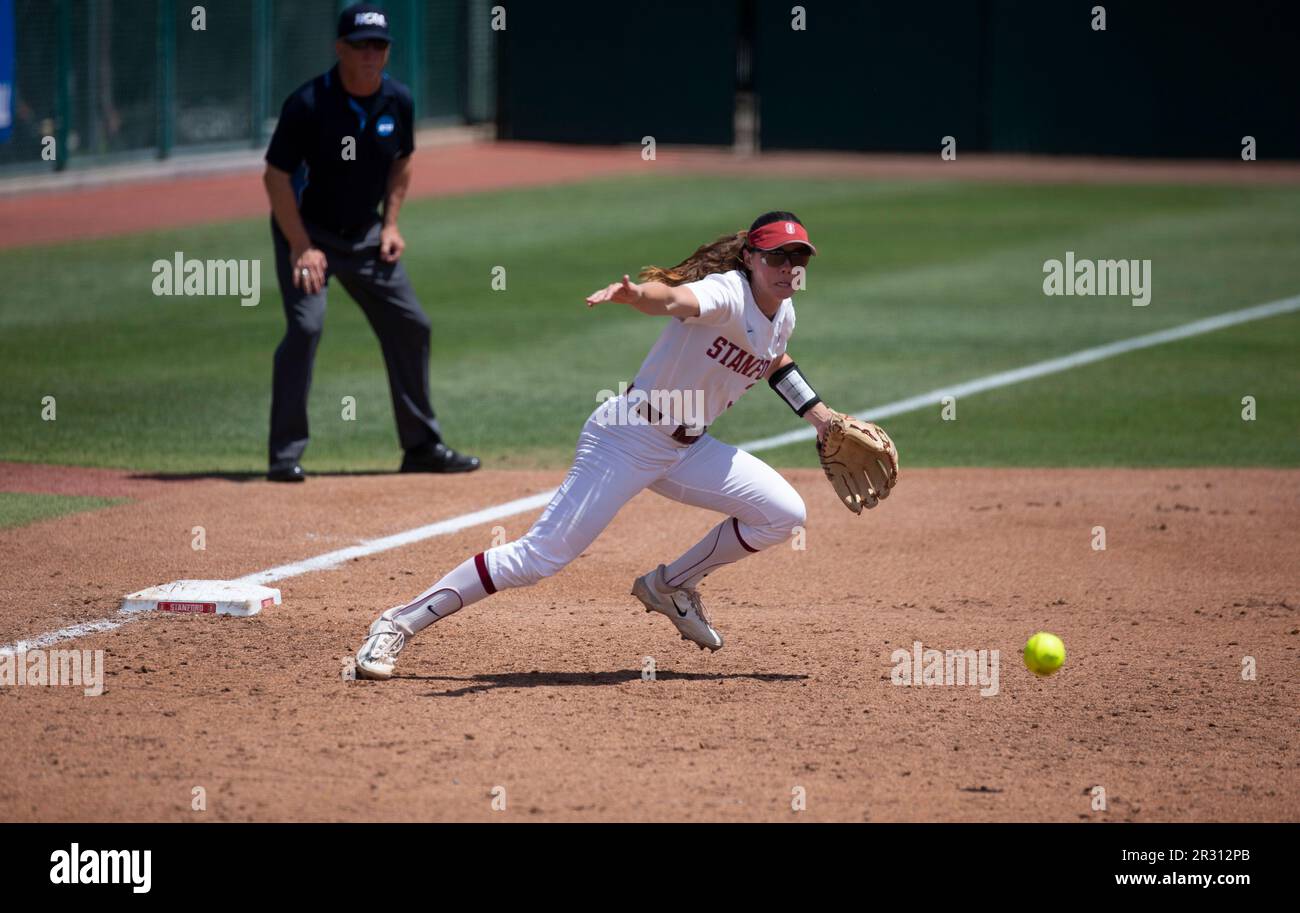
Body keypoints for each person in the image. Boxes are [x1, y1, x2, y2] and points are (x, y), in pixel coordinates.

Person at [353, 211, 897, 679]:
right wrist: (638, 296)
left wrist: (820, 418)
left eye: (797, 259)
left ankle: (670, 587)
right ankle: (397, 623)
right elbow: (676, 299)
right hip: (627, 438)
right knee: (537, 560)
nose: (789, 269)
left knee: (783, 514)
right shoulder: (725, 293)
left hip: (687, 447)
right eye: (778, 257)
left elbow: (775, 360)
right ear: (751, 258)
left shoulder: (784, 312)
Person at [261, 3, 479, 482]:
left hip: (364, 235)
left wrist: (392, 225)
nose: (369, 55)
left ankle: (421, 446)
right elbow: (276, 178)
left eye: (378, 45)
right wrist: (300, 246)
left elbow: (402, 162)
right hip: (308, 234)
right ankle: (284, 456)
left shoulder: (398, 100)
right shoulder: (308, 104)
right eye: (360, 45)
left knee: (411, 324)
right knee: (306, 328)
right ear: (340, 48)